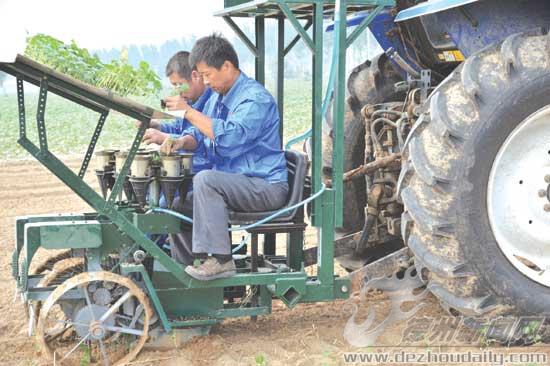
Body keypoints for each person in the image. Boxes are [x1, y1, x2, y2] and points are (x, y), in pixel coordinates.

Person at [160, 33, 288, 280]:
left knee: (206, 180)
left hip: (264, 185)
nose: (206, 82)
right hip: (238, 182)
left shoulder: (254, 99)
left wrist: (187, 112)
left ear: (227, 66)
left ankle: (221, 260)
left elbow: (230, 138)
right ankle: (188, 273)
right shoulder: (218, 98)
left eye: (208, 75)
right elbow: (201, 133)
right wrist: (180, 142)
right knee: (177, 205)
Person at [142, 51, 213, 172]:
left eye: (180, 84)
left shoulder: (212, 102)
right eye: (174, 86)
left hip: (202, 167)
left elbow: (201, 138)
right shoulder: (189, 101)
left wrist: (166, 137)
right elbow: (179, 128)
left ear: (195, 76)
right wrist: (158, 126)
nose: (177, 91)